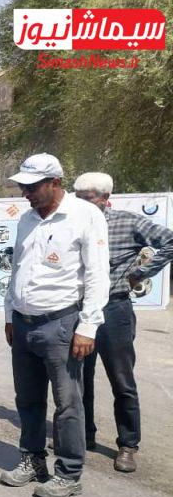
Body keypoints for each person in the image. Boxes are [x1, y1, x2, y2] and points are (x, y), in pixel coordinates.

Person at [1, 154, 109, 497]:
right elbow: (17, 269)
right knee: (27, 399)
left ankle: (69, 471)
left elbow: (96, 274)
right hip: (23, 322)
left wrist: (88, 326)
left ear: (55, 183)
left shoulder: (85, 215)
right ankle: (33, 460)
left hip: (61, 324)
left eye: (31, 187)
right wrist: (9, 316)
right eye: (23, 187)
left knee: (67, 404)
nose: (25, 193)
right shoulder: (27, 220)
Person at [74, 172, 173, 473]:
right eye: (77, 198)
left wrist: (140, 274)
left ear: (105, 198)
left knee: (122, 381)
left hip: (114, 310)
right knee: (79, 379)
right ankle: (83, 436)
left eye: (87, 198)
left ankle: (128, 445)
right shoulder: (72, 224)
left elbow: (169, 242)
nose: (81, 204)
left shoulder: (127, 222)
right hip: (78, 311)